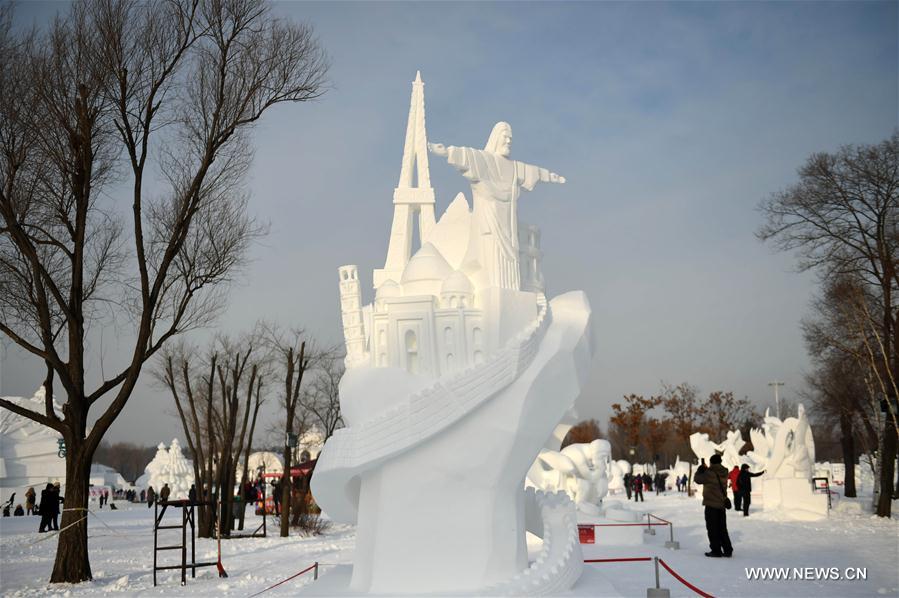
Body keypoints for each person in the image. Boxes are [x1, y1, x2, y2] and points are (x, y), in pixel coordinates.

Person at [694, 455, 733, 558]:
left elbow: (697, 479)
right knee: (722, 528)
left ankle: (716, 550)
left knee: (712, 529)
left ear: (711, 462)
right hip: (721, 504)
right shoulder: (725, 471)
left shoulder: (709, 473)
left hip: (711, 505)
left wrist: (700, 470)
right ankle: (728, 549)